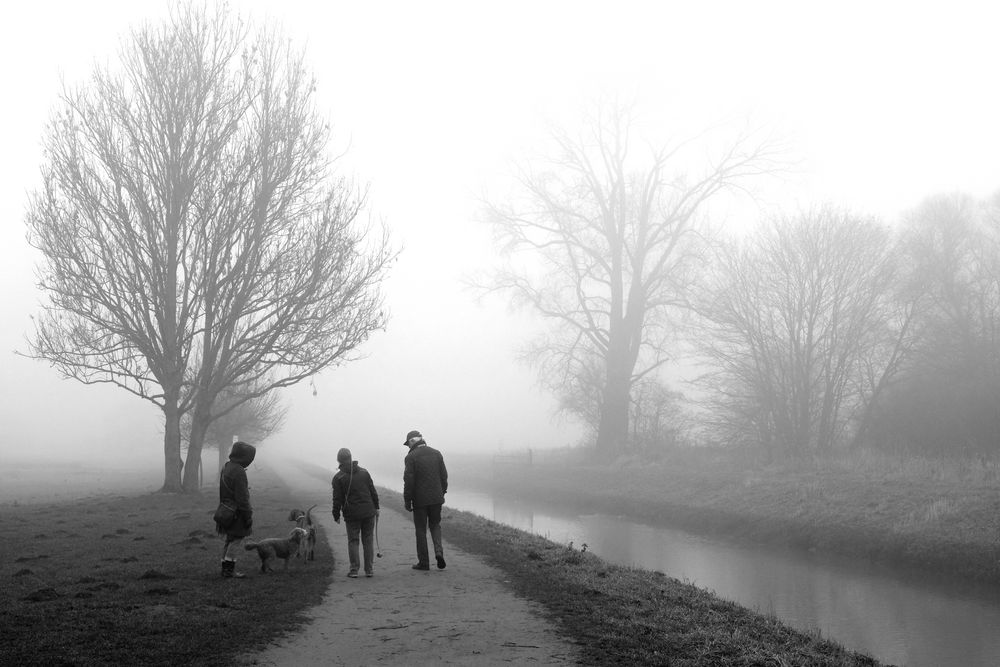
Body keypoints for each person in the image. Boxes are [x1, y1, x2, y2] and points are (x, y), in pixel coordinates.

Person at [402, 429, 448, 570]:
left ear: (412, 442)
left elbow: (409, 481)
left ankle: (424, 562)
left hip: (420, 500)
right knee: (435, 525)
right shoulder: (436, 453)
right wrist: (442, 491)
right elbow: (444, 476)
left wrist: (407, 500)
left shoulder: (411, 457)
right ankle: (439, 552)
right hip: (436, 497)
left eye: (408, 444)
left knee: (421, 530)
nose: (408, 447)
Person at [331, 447, 380, 578]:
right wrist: (377, 507)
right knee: (368, 541)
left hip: (352, 514)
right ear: (351, 458)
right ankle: (369, 570)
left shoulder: (338, 477)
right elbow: (372, 491)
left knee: (353, 541)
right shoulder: (364, 472)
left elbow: (337, 499)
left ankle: (354, 570)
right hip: (369, 511)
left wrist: (336, 514)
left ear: (338, 460)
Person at [216, 440, 256, 578]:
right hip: (236, 512)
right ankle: (229, 570)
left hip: (226, 509)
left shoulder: (227, 466)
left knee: (229, 539)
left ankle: (224, 568)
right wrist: (248, 516)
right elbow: (242, 499)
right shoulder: (239, 471)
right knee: (236, 540)